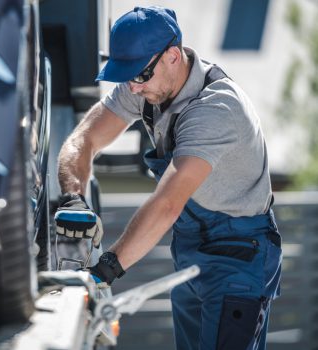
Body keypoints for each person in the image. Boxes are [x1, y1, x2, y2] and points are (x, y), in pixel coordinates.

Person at [54, 5, 282, 350]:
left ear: (173, 56)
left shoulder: (215, 110)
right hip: (191, 249)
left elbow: (168, 203)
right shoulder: (147, 84)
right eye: (125, 76)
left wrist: (104, 271)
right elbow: (83, 139)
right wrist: (73, 197)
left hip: (239, 259)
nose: (131, 87)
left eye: (140, 75)